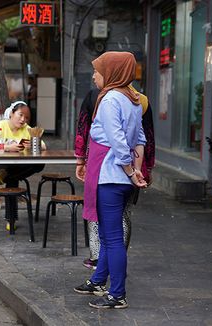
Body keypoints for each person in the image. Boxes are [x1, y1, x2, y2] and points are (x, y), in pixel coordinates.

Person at [72, 51, 147, 309]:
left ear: (112, 72)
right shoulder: (134, 99)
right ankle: (99, 280)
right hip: (121, 177)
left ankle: (117, 294)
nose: (94, 75)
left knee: (112, 238)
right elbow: (140, 140)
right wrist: (136, 171)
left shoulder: (110, 99)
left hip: (110, 175)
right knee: (107, 233)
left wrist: (128, 171)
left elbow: (116, 140)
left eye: (98, 70)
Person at [75, 85, 155, 270]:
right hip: (136, 164)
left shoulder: (100, 96)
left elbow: (83, 128)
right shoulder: (139, 99)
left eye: (98, 70)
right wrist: (147, 166)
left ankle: (98, 258)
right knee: (123, 213)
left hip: (106, 165)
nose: (94, 76)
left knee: (98, 214)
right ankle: (115, 257)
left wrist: (80, 158)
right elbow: (147, 136)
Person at [0, 101, 46, 230]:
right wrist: (9, 147)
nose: (23, 119)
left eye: (26, 117)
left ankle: (11, 219)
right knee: (10, 176)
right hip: (0, 166)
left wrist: (32, 144)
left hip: (15, 168)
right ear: (11, 113)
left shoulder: (26, 129)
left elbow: (43, 145)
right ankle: (11, 219)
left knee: (40, 164)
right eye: (20, 115)